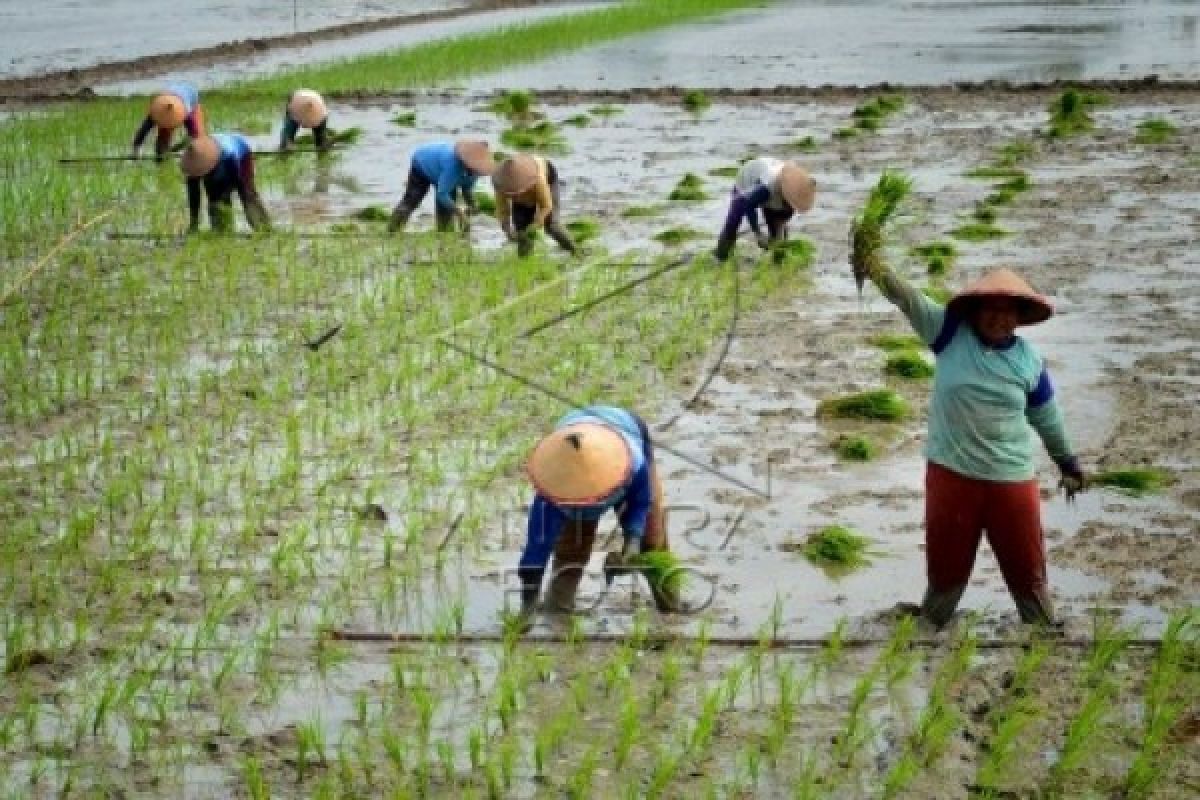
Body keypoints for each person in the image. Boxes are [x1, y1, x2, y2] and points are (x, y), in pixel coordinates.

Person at [856, 257, 1086, 627]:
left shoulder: (1029, 362)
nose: (999, 318)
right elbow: (909, 299)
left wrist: (1068, 463)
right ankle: (930, 629)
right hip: (952, 475)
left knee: (1026, 567)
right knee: (946, 568)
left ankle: (1042, 633)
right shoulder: (948, 332)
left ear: (1020, 316)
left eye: (1008, 311)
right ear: (976, 310)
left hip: (1010, 479)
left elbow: (1046, 416)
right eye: (991, 310)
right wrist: (875, 265)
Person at [517, 406, 675, 618]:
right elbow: (536, 546)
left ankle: (670, 607)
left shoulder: (633, 463)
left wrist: (633, 538)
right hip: (571, 441)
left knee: (652, 539)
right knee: (571, 549)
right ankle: (557, 615)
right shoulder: (551, 492)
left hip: (625, 427)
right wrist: (528, 602)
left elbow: (640, 500)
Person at [714, 158, 815, 261]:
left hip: (770, 185)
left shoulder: (794, 197)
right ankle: (720, 258)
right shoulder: (767, 187)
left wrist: (778, 232)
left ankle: (778, 263)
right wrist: (758, 234)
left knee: (778, 232)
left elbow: (782, 219)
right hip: (748, 180)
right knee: (733, 221)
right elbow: (749, 205)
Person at [388, 140, 496, 234]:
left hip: (441, 168)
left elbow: (467, 190)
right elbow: (442, 194)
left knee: (446, 209)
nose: (475, 173)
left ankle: (444, 233)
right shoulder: (453, 166)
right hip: (422, 162)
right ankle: (392, 231)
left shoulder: (475, 172)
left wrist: (472, 206)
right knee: (412, 200)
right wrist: (460, 214)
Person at [491, 154, 577, 257]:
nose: (516, 197)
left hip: (547, 178)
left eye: (518, 193)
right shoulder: (501, 184)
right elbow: (502, 209)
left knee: (552, 226)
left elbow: (546, 206)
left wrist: (538, 221)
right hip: (525, 186)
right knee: (522, 230)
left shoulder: (538, 180)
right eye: (512, 194)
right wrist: (507, 229)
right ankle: (525, 261)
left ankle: (575, 251)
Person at [180, 134, 270, 233]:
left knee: (247, 195)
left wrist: (226, 193)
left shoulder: (229, 155)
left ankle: (264, 229)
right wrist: (194, 223)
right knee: (215, 199)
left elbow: (240, 182)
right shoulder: (192, 163)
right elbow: (194, 195)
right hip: (219, 158)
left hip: (240, 155)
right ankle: (222, 231)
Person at [132, 81, 205, 161]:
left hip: (191, 97)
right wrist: (136, 151)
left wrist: (175, 148)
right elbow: (143, 131)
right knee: (161, 145)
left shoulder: (186, 113)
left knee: (198, 142)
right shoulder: (157, 110)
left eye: (170, 124)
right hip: (170, 95)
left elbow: (194, 135)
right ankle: (160, 161)